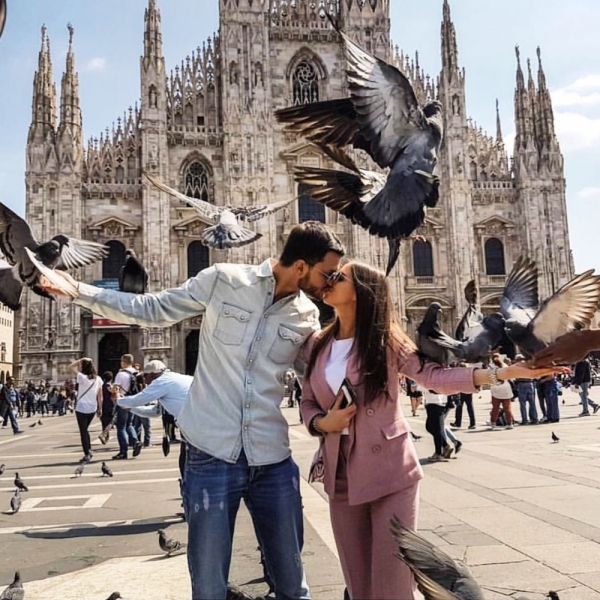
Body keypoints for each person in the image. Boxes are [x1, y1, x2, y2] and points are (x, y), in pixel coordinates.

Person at [40, 220, 345, 600]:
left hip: (272, 460)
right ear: (301, 265)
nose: (331, 281)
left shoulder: (306, 314)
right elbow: (152, 309)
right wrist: (78, 290)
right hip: (211, 454)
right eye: (327, 273)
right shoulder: (226, 279)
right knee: (209, 586)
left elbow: (320, 378)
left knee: (292, 583)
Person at [299, 261, 567, 600]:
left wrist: (505, 373)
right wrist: (323, 424)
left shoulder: (386, 342)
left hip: (390, 473)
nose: (329, 281)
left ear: (361, 293)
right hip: (341, 475)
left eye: (339, 277)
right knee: (358, 586)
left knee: (392, 587)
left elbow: (435, 377)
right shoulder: (317, 344)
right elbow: (308, 401)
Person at [117, 359, 192, 479]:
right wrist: (130, 409)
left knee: (189, 465)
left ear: (153, 374)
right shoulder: (174, 378)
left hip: (196, 429)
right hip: (195, 427)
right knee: (185, 461)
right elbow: (156, 411)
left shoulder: (162, 382)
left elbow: (136, 400)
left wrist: (118, 400)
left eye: (145, 376)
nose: (144, 380)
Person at [69, 357, 103, 463]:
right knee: (85, 430)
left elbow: (70, 367)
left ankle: (88, 452)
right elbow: (100, 395)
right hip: (92, 408)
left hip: (81, 407)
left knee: (83, 431)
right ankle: (88, 450)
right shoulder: (98, 379)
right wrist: (100, 408)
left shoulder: (82, 377)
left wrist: (81, 360)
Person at [112, 354, 143, 460]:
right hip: (133, 401)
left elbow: (116, 389)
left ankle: (123, 451)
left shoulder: (121, 374)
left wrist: (112, 392)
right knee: (129, 424)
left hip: (123, 401)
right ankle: (135, 441)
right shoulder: (136, 372)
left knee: (121, 427)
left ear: (123, 362)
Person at [489, 355, 515, 430]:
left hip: (496, 388)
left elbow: (489, 377)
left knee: (495, 408)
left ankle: (493, 423)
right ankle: (509, 423)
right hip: (506, 388)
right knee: (507, 408)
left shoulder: (491, 367)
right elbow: (511, 377)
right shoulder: (505, 365)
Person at [513, 354, 539, 425]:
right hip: (530, 383)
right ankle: (534, 418)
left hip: (521, 384)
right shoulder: (529, 365)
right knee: (532, 403)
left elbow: (515, 376)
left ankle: (525, 420)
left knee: (522, 404)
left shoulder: (517, 366)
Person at [98, 371, 116, 444]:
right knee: (112, 421)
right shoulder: (110, 386)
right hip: (110, 406)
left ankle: (105, 437)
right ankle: (104, 434)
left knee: (104, 422)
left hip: (102, 405)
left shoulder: (100, 386)